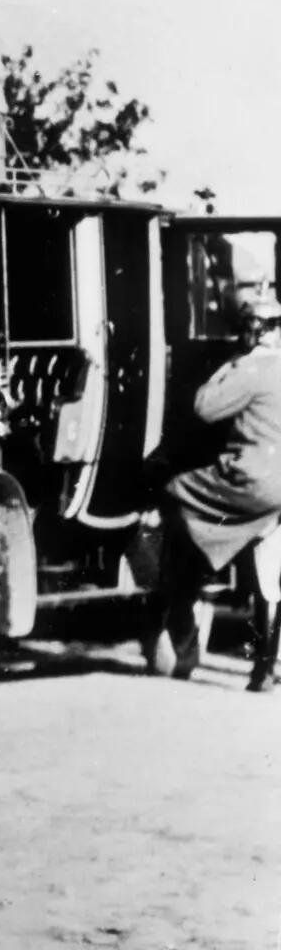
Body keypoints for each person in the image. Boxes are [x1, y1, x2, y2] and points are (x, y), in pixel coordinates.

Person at [159, 292, 281, 691]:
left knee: (176, 493)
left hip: (253, 483)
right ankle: (265, 668)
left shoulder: (250, 369)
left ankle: (185, 635)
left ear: (251, 333)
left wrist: (226, 366)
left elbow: (203, 408)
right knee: (269, 577)